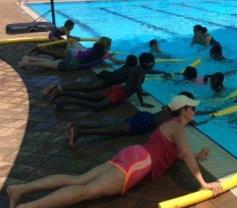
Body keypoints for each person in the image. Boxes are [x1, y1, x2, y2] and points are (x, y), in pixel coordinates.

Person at [7, 93, 223, 208]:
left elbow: (171, 153)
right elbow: (183, 154)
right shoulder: (177, 128)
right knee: (86, 191)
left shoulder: (168, 124)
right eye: (192, 107)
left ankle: (20, 189)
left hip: (132, 153)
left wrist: (195, 155)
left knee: (78, 180)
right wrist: (203, 184)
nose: (195, 110)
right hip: (138, 162)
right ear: (183, 110)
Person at [65, 91, 216, 148]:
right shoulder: (177, 115)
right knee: (111, 131)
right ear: (185, 107)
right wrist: (210, 117)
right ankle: (79, 132)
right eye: (192, 108)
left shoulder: (170, 107)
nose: (193, 111)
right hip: (145, 123)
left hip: (145, 116)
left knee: (112, 125)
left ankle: (77, 124)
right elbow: (194, 120)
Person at [51, 52, 155, 112]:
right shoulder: (141, 72)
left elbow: (138, 81)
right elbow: (137, 87)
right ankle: (65, 100)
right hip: (119, 93)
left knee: (90, 96)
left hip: (116, 88)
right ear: (149, 64)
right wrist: (142, 103)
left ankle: (62, 94)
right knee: (97, 106)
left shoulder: (136, 68)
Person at [43, 55, 138, 96]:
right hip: (107, 79)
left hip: (105, 74)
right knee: (86, 88)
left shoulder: (126, 66)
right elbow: (134, 85)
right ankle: (58, 89)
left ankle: (57, 87)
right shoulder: (132, 70)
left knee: (84, 84)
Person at [19, 37, 123, 71]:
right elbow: (117, 62)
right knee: (49, 65)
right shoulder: (105, 54)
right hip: (73, 63)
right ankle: (26, 63)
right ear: (107, 45)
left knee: (50, 62)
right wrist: (128, 60)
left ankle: (28, 58)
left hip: (73, 55)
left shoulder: (94, 48)